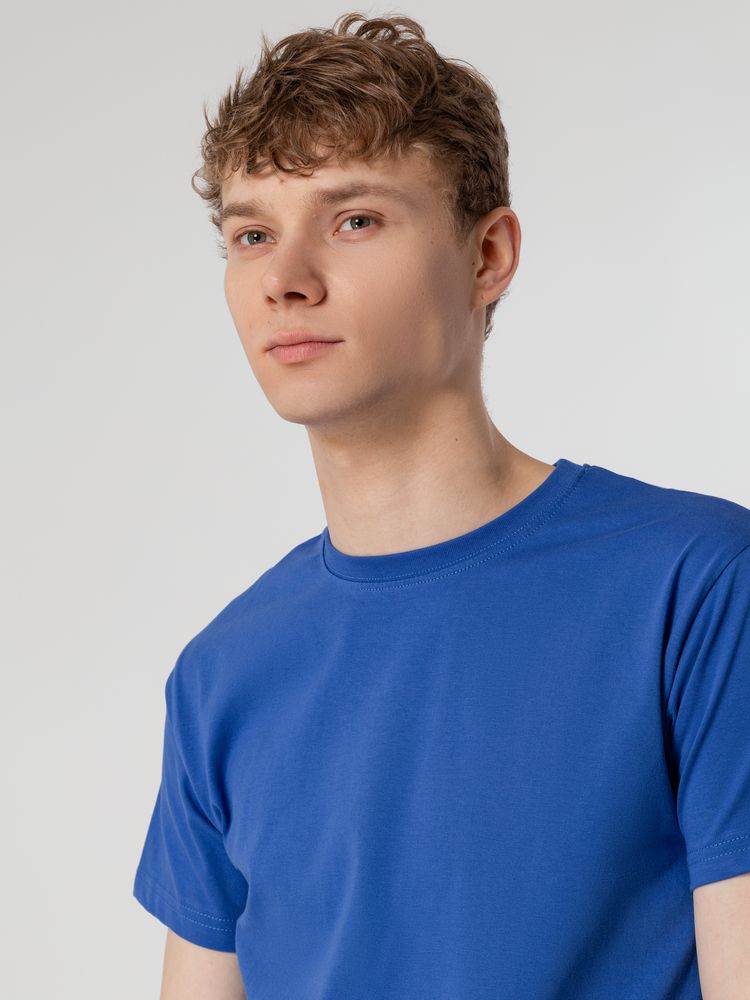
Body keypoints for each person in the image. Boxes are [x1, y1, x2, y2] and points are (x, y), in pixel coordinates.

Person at [133, 12, 750, 999]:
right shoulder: (221, 675)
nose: (285, 281)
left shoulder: (699, 585)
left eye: (354, 219)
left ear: (488, 255)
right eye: (252, 235)